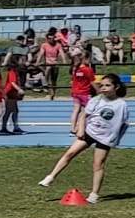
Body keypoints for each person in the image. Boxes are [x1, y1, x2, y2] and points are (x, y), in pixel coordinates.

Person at [41, 74, 129, 202]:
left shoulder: (122, 105)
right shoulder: (96, 100)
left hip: (105, 138)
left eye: (107, 85)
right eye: (102, 85)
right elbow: (83, 115)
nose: (104, 88)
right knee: (70, 153)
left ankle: (94, 195)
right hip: (90, 132)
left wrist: (116, 139)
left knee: (98, 165)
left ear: (116, 87)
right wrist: (81, 129)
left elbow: (123, 124)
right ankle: (50, 177)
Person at [68, 52, 97, 139]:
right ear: (85, 59)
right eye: (89, 59)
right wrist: (99, 90)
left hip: (75, 92)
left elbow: (72, 80)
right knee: (85, 112)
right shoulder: (88, 70)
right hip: (85, 93)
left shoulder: (75, 69)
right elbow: (92, 82)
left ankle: (73, 129)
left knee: (76, 110)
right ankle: (80, 128)